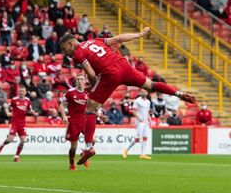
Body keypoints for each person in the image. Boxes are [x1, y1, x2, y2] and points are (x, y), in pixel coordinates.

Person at [59, 27, 196, 165]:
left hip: (110, 73)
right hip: (124, 65)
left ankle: (88, 148)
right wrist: (140, 34)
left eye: (64, 49)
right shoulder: (94, 40)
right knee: (151, 85)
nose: (65, 53)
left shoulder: (78, 52)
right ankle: (178, 93)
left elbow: (92, 74)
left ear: (71, 44)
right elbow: (118, 39)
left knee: (90, 109)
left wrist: (92, 86)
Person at [0, 86, 38, 162]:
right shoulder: (14, 100)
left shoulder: (27, 100)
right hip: (14, 122)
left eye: (23, 91)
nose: (21, 93)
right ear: (18, 92)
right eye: (20, 91)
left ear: (25, 92)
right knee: (10, 139)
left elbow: (29, 110)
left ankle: (16, 157)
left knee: (23, 140)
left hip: (22, 123)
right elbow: (5, 105)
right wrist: (7, 113)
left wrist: (33, 113)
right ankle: (3, 144)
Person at [59, 74, 88, 171]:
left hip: (84, 120)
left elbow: (93, 106)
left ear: (85, 81)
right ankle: (71, 163)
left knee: (93, 140)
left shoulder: (88, 93)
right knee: (73, 146)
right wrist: (64, 116)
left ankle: (85, 154)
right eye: (78, 79)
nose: (79, 81)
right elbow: (62, 105)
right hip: (73, 121)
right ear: (76, 81)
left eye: (81, 79)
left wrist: (100, 114)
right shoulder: (70, 92)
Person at [123, 90, 152, 160]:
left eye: (144, 91)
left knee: (145, 137)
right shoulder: (137, 101)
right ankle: (126, 149)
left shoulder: (148, 102)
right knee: (138, 139)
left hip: (146, 122)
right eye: (142, 91)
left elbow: (147, 111)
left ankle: (142, 154)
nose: (143, 93)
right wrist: (139, 118)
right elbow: (133, 111)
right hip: (140, 122)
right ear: (140, 93)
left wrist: (149, 118)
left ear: (147, 93)